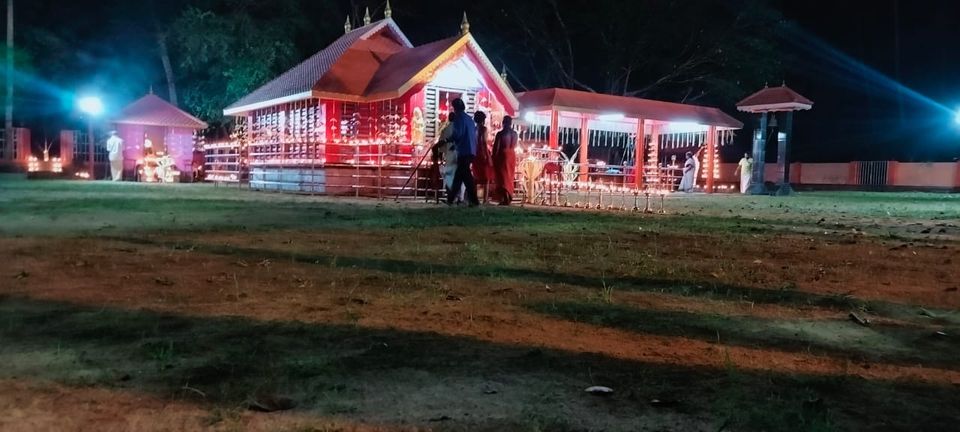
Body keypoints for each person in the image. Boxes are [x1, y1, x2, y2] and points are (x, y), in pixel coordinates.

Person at [445, 98, 479, 206]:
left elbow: (458, 134)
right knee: (460, 177)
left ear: (455, 108)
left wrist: (448, 140)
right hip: (471, 150)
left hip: (464, 151)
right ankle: (451, 199)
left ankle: (473, 200)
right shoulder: (469, 119)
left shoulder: (459, 118)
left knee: (465, 178)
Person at [492, 115, 518, 205]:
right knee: (510, 176)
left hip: (502, 155)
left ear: (503, 123)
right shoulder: (515, 134)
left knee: (502, 177)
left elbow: (496, 147)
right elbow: (515, 145)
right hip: (512, 155)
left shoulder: (501, 134)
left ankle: (505, 197)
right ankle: (509, 195)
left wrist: (493, 157)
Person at [472, 111, 493, 203]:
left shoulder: (474, 129)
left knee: (476, 176)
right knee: (486, 176)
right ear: (483, 120)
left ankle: (475, 197)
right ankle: (485, 199)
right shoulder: (483, 129)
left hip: (475, 153)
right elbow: (483, 143)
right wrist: (487, 156)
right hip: (482, 153)